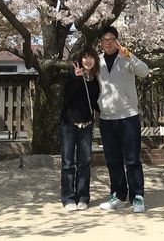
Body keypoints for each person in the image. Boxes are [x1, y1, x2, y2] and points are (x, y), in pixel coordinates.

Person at [97, 26, 150, 213]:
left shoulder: (126, 58)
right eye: (105, 39)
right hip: (106, 118)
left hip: (128, 116)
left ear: (117, 41)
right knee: (113, 160)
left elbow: (144, 72)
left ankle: (137, 197)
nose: (108, 42)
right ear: (101, 43)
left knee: (132, 159)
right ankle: (118, 196)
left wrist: (130, 56)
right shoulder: (98, 61)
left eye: (112, 39)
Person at [60, 45, 100, 211]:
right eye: (85, 57)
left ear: (95, 60)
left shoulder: (96, 79)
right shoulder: (72, 75)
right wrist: (76, 79)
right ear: (80, 60)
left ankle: (83, 197)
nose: (88, 60)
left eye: (91, 57)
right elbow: (67, 98)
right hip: (69, 124)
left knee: (85, 162)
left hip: (87, 125)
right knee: (68, 163)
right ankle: (68, 198)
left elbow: (96, 102)